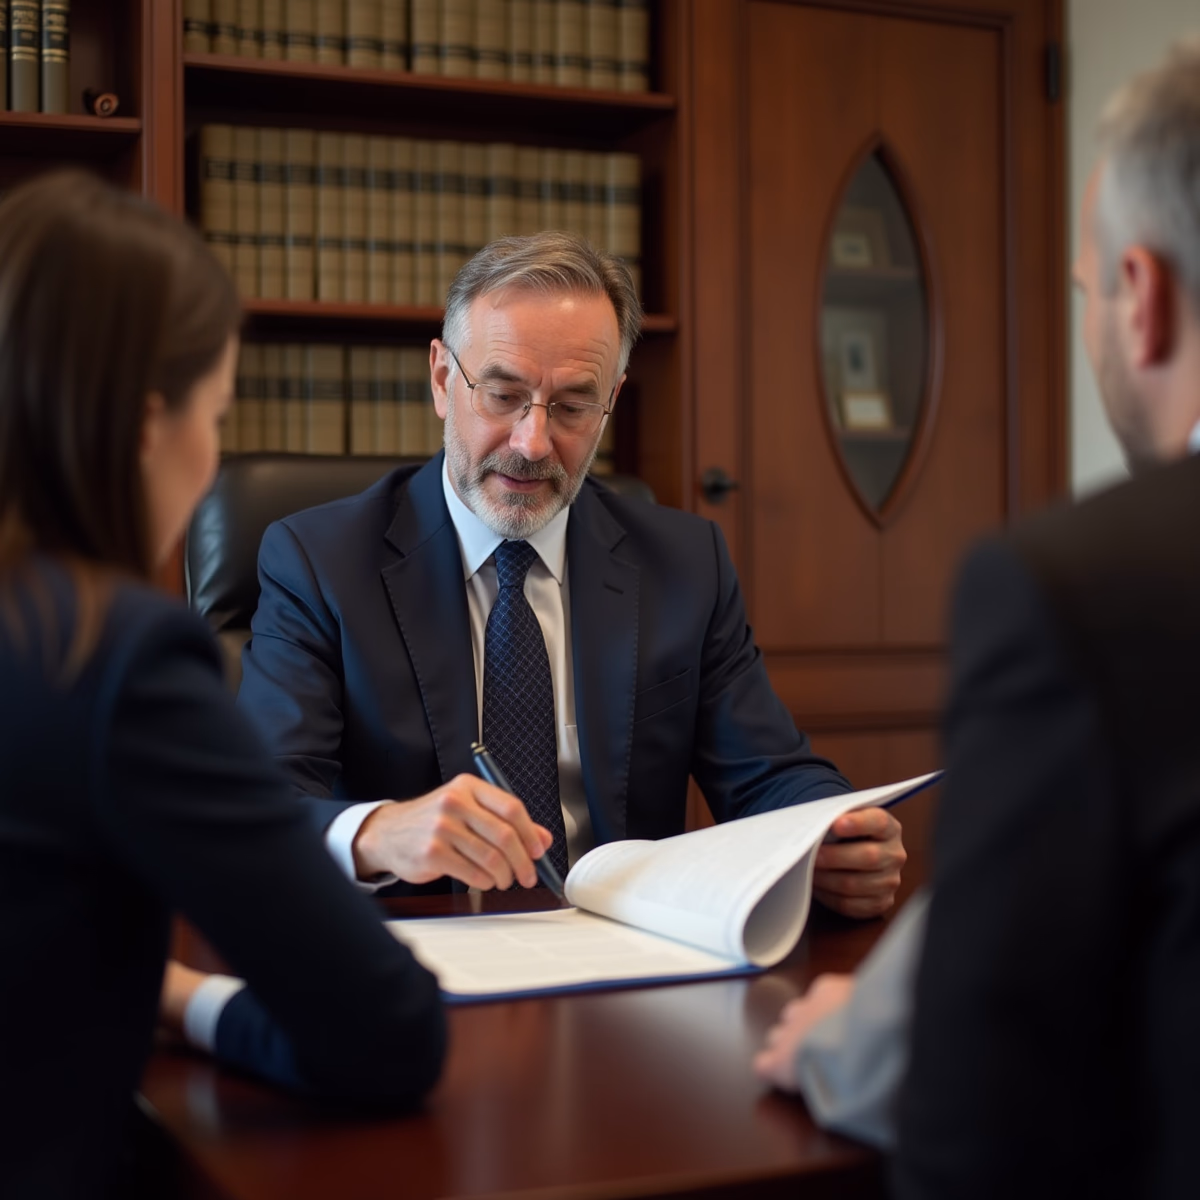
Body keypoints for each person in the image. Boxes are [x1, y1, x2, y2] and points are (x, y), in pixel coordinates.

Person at [755, 38, 1200, 1198]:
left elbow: (985, 1104)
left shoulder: (1086, 586)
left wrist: (865, 1048)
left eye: (1089, 292)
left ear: (1142, 301)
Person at [0, 171, 447, 1200]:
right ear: (148, 426)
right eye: (217, 415)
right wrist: (185, 1000)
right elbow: (386, 1033)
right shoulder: (114, 656)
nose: (212, 460)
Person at [236, 231, 906, 913]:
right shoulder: (318, 561)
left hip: (621, 961)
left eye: (573, 406)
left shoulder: (684, 565)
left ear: (611, 399)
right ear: (443, 380)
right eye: (502, 395)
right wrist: (375, 833)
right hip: (413, 958)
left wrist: (833, 834)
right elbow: (258, 803)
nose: (532, 443)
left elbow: (771, 778)